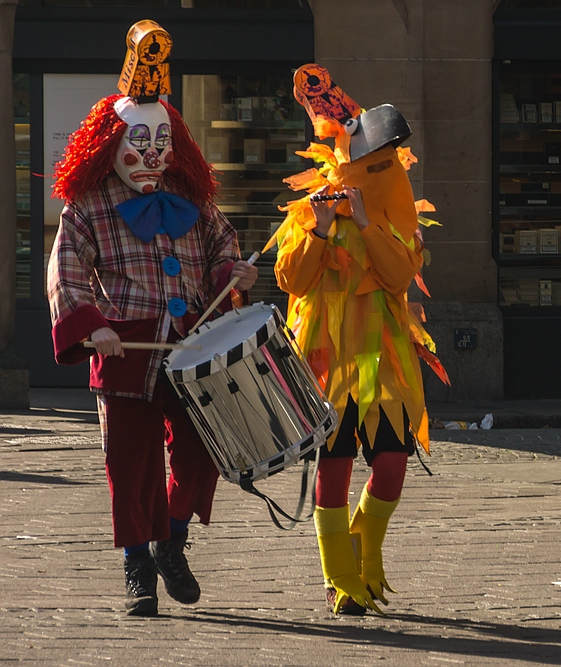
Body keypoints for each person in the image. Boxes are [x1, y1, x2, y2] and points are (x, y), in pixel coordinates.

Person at [47, 21, 258, 617]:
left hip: (192, 348)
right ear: (109, 142)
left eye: (160, 146)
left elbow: (223, 249)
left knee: (201, 453)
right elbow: (63, 271)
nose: (150, 158)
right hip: (124, 349)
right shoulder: (87, 207)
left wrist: (234, 276)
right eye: (137, 146)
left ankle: (172, 536)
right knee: (130, 463)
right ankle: (137, 563)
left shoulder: (195, 201)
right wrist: (93, 325)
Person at [274, 64, 448, 615]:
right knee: (335, 463)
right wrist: (321, 231)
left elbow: (399, 275)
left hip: (385, 356)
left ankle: (363, 547)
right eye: (375, 163)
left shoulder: (393, 206)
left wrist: (369, 221)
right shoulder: (312, 210)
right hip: (328, 360)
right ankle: (339, 578)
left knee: (393, 462)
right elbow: (291, 281)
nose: (388, 169)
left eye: (390, 163)